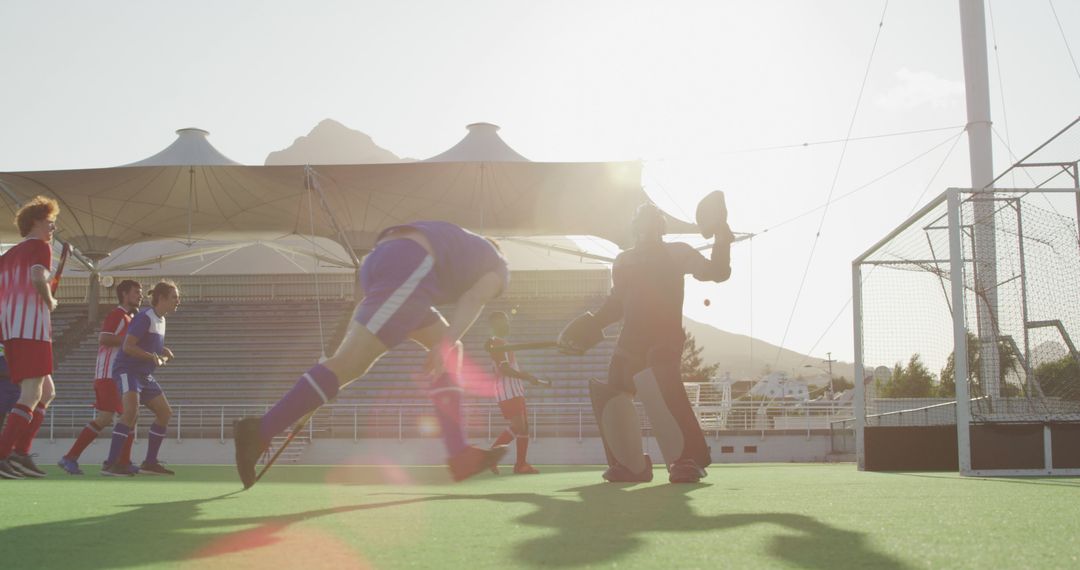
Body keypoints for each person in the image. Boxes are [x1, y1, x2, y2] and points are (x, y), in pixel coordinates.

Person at [234, 220, 511, 489]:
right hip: (410, 263)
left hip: (380, 261)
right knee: (349, 365)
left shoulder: (460, 245)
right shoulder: (497, 263)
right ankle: (259, 430)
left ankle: (460, 453)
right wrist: (446, 344)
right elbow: (474, 298)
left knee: (441, 352)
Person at [559, 201, 733, 484]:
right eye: (642, 223)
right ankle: (630, 465)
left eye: (652, 223)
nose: (646, 229)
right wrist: (589, 325)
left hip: (664, 336)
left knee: (664, 382)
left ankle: (687, 459)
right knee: (615, 387)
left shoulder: (677, 252)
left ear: (660, 228)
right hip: (631, 339)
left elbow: (717, 272)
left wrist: (722, 237)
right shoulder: (624, 260)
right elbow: (617, 304)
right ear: (635, 228)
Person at [0, 196, 61, 480]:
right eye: (50, 221)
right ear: (36, 220)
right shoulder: (41, 246)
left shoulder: (8, 256)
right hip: (32, 329)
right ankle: (3, 455)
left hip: (11, 330)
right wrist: (49, 300)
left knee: (46, 393)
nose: (53, 227)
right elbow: (38, 276)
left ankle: (20, 454)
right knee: (32, 393)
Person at [58, 280, 143, 476]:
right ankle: (70, 457)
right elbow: (104, 338)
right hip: (108, 375)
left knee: (131, 416)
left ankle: (122, 461)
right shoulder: (117, 314)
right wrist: (129, 342)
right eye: (136, 292)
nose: (140, 295)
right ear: (124, 294)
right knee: (107, 417)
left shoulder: (130, 318)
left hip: (118, 375)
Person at [102, 280, 179, 476]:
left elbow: (147, 344)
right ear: (161, 298)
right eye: (174, 297)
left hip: (144, 374)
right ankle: (111, 464)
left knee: (165, 413)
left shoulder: (161, 319)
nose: (178, 301)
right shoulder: (145, 317)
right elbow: (128, 346)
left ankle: (150, 463)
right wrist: (152, 357)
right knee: (130, 413)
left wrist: (162, 350)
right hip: (128, 370)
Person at [485, 311, 545, 474]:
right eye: (503, 321)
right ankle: (491, 457)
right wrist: (524, 376)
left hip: (515, 389)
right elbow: (504, 369)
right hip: (508, 390)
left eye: (507, 320)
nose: (507, 324)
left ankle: (520, 464)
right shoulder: (497, 342)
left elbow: (509, 367)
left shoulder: (503, 342)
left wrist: (525, 376)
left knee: (524, 427)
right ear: (494, 325)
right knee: (519, 426)